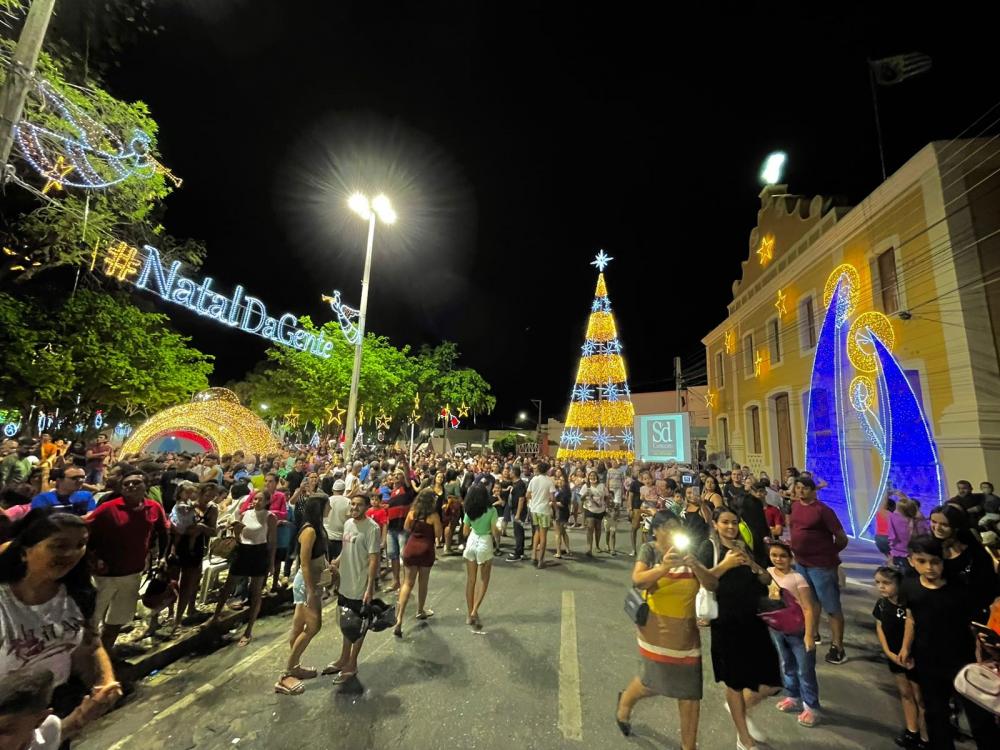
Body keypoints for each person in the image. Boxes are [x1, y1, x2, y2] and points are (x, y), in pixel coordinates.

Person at [0, 511, 122, 733]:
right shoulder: (4, 603)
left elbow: (91, 645)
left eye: (80, 544)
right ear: (25, 550)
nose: (72, 554)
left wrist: (105, 682)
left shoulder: (78, 593)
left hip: (55, 705)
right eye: (59, 545)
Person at [615, 512, 716, 750]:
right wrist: (663, 568)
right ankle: (625, 703)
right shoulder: (650, 550)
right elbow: (638, 580)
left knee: (690, 692)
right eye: (668, 528)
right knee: (652, 683)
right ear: (656, 531)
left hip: (686, 634)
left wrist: (696, 566)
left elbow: (712, 584)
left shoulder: (690, 551)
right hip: (656, 630)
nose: (673, 532)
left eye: (676, 528)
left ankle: (688, 746)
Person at [899, 535, 1000, 749]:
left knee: (980, 717)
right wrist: (906, 647)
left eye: (935, 561)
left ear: (944, 560)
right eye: (922, 561)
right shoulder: (909, 586)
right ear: (911, 561)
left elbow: (973, 626)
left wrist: (982, 658)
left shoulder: (959, 589)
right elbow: (912, 617)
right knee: (936, 716)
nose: (929, 568)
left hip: (961, 660)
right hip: (927, 661)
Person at [698, 508, 781, 750]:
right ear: (715, 524)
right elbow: (705, 580)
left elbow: (765, 578)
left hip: (753, 620)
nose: (730, 527)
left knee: (773, 680)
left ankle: (740, 710)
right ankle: (743, 739)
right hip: (727, 622)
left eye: (734, 522)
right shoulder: (710, 548)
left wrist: (754, 566)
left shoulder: (743, 546)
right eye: (725, 522)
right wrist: (725, 564)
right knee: (734, 682)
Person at [86, 469, 169, 653]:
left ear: (145, 486)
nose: (131, 486)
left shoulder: (154, 507)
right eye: (126, 484)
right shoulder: (109, 508)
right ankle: (87, 659)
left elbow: (164, 532)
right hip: (104, 575)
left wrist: (163, 556)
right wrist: (93, 557)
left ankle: (106, 654)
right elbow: (87, 529)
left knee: (117, 618)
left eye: (136, 482)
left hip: (133, 573)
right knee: (92, 619)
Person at [788, 476, 849, 665]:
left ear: (813, 490)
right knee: (809, 603)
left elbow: (841, 538)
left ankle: (838, 646)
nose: (800, 491)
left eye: (804, 488)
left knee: (831, 606)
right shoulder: (796, 506)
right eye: (797, 488)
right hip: (801, 563)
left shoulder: (823, 511)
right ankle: (812, 633)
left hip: (821, 565)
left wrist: (828, 553)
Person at [207, 489, 277, 646]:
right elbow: (239, 536)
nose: (256, 502)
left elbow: (272, 542)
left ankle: (248, 630)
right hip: (243, 551)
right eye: (254, 499)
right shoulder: (245, 514)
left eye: (259, 499)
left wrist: (271, 563)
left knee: (256, 591)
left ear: (266, 501)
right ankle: (216, 616)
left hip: (259, 552)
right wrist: (235, 531)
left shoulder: (270, 517)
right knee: (228, 586)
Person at [276, 494, 329, 695]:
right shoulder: (309, 531)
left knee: (298, 627)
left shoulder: (317, 528)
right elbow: (304, 563)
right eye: (328, 506)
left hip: (313, 581)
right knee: (314, 626)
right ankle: (285, 674)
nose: (330, 509)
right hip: (307, 584)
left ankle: (295, 666)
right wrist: (310, 590)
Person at [324, 494, 380, 685]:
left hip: (359, 584)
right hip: (345, 583)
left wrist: (370, 587)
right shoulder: (348, 524)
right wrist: (337, 562)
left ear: (367, 507)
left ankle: (352, 663)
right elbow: (346, 548)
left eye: (359, 505)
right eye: (353, 504)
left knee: (357, 625)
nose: (354, 507)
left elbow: (374, 559)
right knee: (346, 622)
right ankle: (343, 658)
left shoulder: (372, 528)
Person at [766, 541, 820, 727]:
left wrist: (809, 635)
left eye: (783, 556)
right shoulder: (769, 573)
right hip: (778, 629)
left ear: (791, 558)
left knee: (805, 670)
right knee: (787, 664)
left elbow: (808, 608)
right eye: (774, 555)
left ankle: (811, 707)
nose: (778, 559)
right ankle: (793, 696)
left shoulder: (798, 579)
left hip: (798, 632)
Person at [873, 566, 928, 749]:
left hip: (913, 656)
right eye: (878, 583)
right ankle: (912, 731)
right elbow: (880, 627)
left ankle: (926, 737)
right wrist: (888, 652)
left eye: (887, 583)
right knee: (905, 693)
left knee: (921, 697)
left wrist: (907, 652)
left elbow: (912, 629)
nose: (881, 587)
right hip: (894, 656)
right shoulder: (882, 604)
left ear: (899, 584)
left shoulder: (909, 605)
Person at [928, 503, 1000, 624]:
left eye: (944, 524)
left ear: (956, 526)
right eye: (933, 522)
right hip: (943, 608)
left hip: (975, 607)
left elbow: (987, 580)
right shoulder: (928, 546)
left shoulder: (971, 547)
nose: (937, 528)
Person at [169, 482, 218, 633]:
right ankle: (169, 612)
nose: (208, 498)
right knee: (171, 581)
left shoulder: (212, 509)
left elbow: (213, 531)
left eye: (212, 496)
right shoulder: (186, 504)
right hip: (178, 545)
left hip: (196, 547)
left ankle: (178, 619)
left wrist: (202, 528)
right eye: (206, 495)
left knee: (187, 583)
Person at [394, 488, 442, 637]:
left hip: (411, 548)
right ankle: (420, 611)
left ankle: (399, 619)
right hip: (426, 550)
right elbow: (438, 534)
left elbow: (406, 528)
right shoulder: (433, 516)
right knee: (423, 582)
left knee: (407, 583)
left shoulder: (412, 513)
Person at [462, 484, 497, 628]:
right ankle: (475, 610)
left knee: (471, 580)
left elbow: (464, 532)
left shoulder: (469, 510)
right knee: (484, 579)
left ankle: (469, 613)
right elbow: (495, 531)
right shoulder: (492, 510)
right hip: (485, 542)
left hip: (471, 541)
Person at [384, 469, 415, 592]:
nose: (396, 476)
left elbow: (408, 478)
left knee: (404, 556)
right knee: (393, 555)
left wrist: (404, 464)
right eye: (394, 474)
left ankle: (405, 582)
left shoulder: (407, 490)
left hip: (402, 528)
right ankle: (396, 581)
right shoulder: (392, 492)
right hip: (391, 528)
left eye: (399, 475)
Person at [29, 467, 94, 516]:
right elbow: (39, 522)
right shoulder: (42, 499)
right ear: (59, 481)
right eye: (75, 478)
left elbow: (91, 514)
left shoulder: (87, 496)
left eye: (83, 478)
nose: (81, 481)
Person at [888, 493, 928, 573]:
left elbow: (892, 537)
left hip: (899, 552)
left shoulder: (893, 518)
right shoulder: (920, 519)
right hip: (917, 552)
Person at [527, 462, 555, 568]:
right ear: (547, 470)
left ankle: (534, 556)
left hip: (534, 509)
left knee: (537, 532)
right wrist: (555, 509)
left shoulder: (534, 479)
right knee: (543, 536)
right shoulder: (549, 481)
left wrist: (534, 500)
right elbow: (552, 498)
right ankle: (541, 560)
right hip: (544, 510)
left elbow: (527, 495)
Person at [580, 469, 609, 557]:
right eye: (591, 476)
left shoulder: (602, 485)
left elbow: (607, 496)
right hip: (589, 509)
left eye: (594, 476)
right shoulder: (586, 486)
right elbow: (581, 499)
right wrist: (585, 494)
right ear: (588, 477)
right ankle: (589, 548)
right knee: (590, 528)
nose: (592, 477)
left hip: (600, 510)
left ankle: (597, 546)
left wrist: (606, 506)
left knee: (598, 528)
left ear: (597, 477)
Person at [506, 466, 529, 562]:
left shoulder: (519, 484)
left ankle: (518, 553)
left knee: (518, 532)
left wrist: (518, 514)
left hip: (518, 511)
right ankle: (520, 551)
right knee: (518, 532)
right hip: (515, 510)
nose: (509, 473)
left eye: (510, 472)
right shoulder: (515, 484)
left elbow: (521, 499)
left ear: (514, 473)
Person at [323, 479, 350, 560]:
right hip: (341, 537)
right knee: (340, 564)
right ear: (343, 490)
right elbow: (349, 520)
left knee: (327, 563)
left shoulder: (326, 500)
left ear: (332, 489)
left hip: (327, 536)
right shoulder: (348, 502)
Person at [552, 469, 572, 558]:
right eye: (559, 479)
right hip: (561, 512)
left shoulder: (565, 490)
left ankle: (558, 552)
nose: (560, 481)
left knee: (558, 533)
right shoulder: (559, 489)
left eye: (562, 480)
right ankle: (568, 549)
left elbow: (563, 503)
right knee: (563, 532)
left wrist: (552, 503)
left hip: (560, 512)